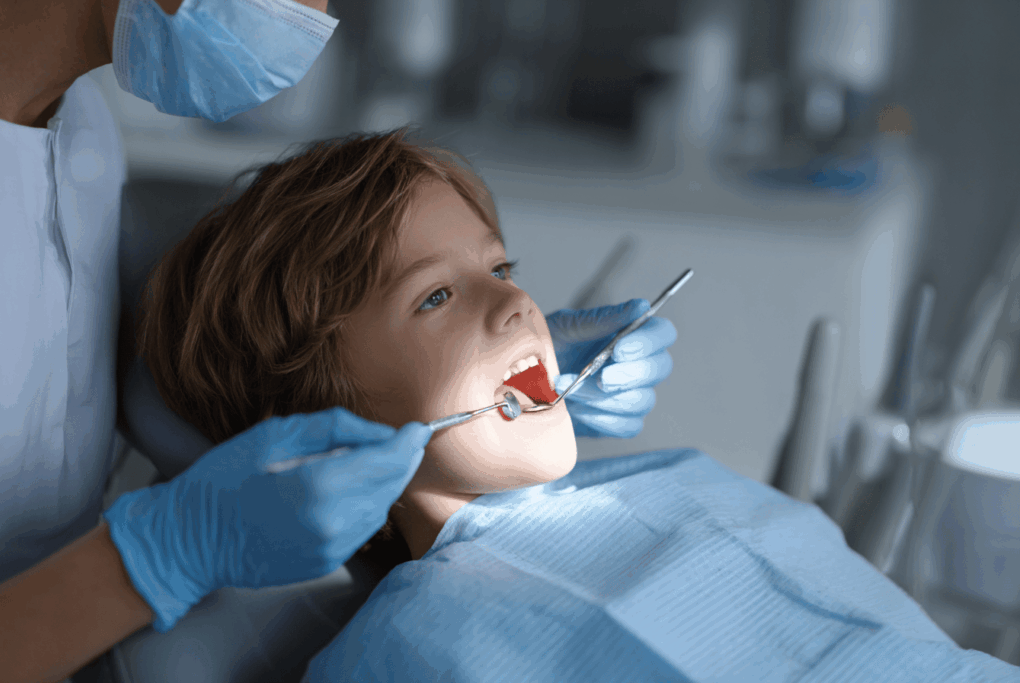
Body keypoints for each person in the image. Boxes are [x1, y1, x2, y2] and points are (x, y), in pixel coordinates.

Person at [138, 130, 1020, 682]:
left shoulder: (685, 480)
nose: (518, 308)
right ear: (317, 413)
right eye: (435, 298)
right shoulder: (397, 653)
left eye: (501, 268)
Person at [0, 2, 677, 682]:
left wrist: (506, 361)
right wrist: (160, 556)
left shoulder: (81, 124)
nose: (311, 17)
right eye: (435, 295)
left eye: (503, 270)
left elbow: (54, 347)